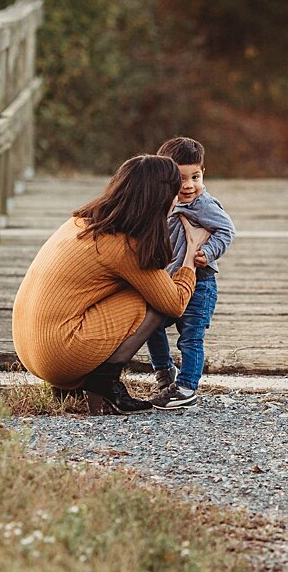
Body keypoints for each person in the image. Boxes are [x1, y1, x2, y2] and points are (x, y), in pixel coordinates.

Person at [12, 154, 210, 414]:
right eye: (174, 192)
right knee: (153, 300)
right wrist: (191, 253)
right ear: (159, 199)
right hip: (58, 355)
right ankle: (105, 379)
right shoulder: (126, 245)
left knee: (136, 288)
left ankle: (70, 386)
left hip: (31, 351)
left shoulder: (83, 221)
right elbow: (175, 303)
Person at [146, 136, 237, 410]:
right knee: (150, 327)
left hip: (200, 284)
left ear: (203, 173)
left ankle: (187, 387)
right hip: (170, 282)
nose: (188, 185)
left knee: (191, 336)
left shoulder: (205, 205)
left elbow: (227, 231)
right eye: (181, 178)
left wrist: (207, 252)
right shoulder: (164, 203)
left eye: (194, 177)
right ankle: (164, 373)